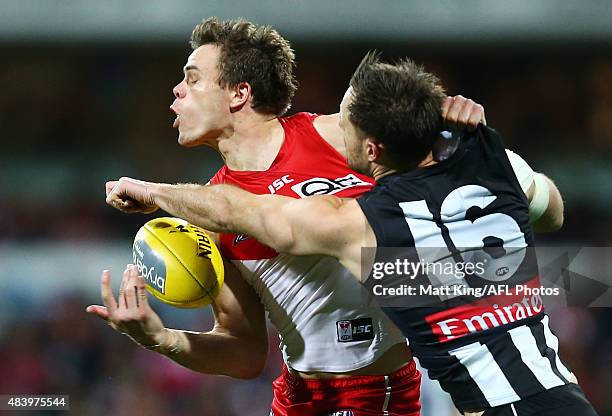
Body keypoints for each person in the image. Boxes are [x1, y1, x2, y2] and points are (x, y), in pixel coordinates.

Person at [105, 52, 598, 416]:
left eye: (349, 123)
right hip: (558, 394)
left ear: (372, 147)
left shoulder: (362, 220)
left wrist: (154, 192)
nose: (339, 127)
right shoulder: (494, 165)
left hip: (414, 397)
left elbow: (258, 214)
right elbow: (551, 211)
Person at [88, 17, 487, 416]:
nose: (176, 91)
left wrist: (456, 120)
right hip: (298, 399)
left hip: (373, 394)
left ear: (239, 93)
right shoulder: (208, 215)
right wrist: (160, 337)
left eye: (192, 80)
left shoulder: (333, 135)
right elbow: (243, 352)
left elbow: (426, 137)